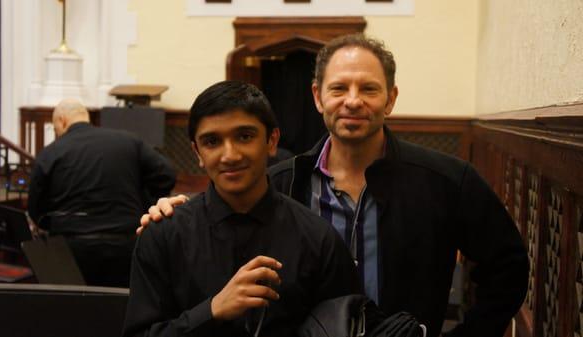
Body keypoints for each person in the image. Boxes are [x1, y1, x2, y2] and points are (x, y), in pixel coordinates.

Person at [140, 34, 529, 337]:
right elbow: (225, 214)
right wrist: (177, 209)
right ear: (318, 97)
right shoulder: (282, 182)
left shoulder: (446, 180)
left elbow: (508, 269)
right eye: (340, 88)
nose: (353, 101)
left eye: (369, 89)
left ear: (391, 99)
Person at [122, 81, 362, 337]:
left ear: (272, 141)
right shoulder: (163, 236)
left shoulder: (317, 238)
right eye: (212, 141)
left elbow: (346, 327)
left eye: (244, 137)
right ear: (198, 153)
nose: (230, 155)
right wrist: (211, 311)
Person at [27, 98, 176, 287]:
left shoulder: (51, 152)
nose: (57, 134)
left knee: (75, 308)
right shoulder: (128, 141)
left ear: (62, 121)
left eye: (56, 129)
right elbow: (166, 174)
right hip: (126, 242)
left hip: (71, 247)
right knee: (123, 305)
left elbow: (36, 209)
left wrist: (56, 223)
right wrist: (143, 203)